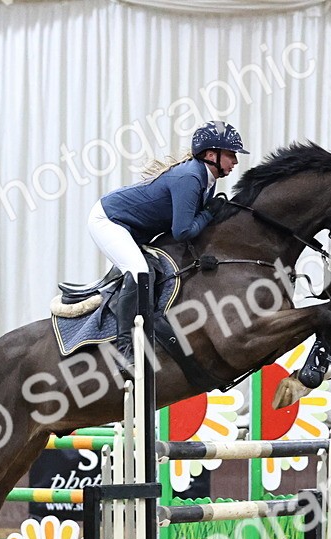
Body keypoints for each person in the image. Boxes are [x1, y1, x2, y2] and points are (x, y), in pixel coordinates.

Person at [87, 120, 249, 369]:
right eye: (231, 154)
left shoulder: (207, 178)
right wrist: (208, 213)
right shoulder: (191, 177)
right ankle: (124, 350)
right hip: (109, 221)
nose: (235, 161)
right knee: (139, 272)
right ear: (211, 155)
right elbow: (182, 231)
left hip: (132, 227)